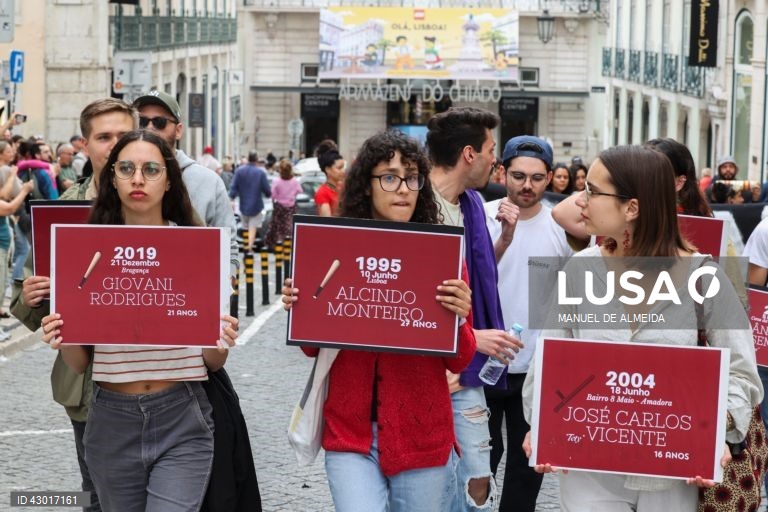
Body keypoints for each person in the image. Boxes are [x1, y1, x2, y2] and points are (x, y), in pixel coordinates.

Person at [521, 145, 763, 510]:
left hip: (673, 474)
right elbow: (549, 362)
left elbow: (743, 375)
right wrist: (542, 426)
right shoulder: (578, 270)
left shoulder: (705, 276)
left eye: (593, 191)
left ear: (631, 208)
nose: (581, 199)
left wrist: (715, 434)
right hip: (591, 471)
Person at [39, 130, 239, 511]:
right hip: (112, 417)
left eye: (151, 169)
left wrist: (221, 338)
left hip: (182, 416)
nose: (138, 179)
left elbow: (212, 362)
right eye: (127, 168)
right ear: (112, 178)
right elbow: (80, 362)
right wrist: (61, 332)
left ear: (168, 180)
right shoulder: (85, 250)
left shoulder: (198, 248)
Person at [281, 130, 476, 511]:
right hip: (349, 434)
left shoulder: (442, 255)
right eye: (389, 176)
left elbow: (460, 359)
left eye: (412, 177)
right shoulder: (335, 248)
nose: (403, 188)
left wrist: (460, 317)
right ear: (366, 185)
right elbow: (310, 346)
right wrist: (301, 305)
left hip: (421, 435)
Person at [11, 97, 138, 512]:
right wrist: (31, 295)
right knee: (96, 495)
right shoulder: (63, 211)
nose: (115, 145)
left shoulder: (160, 209)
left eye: (123, 134)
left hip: (156, 377)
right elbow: (28, 304)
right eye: (104, 137)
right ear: (86, 144)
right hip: (86, 384)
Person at [426, 107, 523, 512]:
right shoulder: (412, 204)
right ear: (469, 154)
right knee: (431, 483)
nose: (494, 160)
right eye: (490, 150)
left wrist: (502, 241)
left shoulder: (471, 204)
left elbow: (475, 277)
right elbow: (402, 301)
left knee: (477, 480)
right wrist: (473, 337)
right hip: (425, 371)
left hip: (466, 372)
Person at [484, 136, 572, 511]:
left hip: (535, 368)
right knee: (479, 461)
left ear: (550, 178)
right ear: (502, 172)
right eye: (518, 175)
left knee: (526, 469)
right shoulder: (482, 217)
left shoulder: (561, 227)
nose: (527, 185)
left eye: (537, 178)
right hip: (483, 362)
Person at [132, 91, 239, 280]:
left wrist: (219, 293)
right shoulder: (121, 177)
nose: (149, 128)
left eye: (159, 122)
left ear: (178, 130)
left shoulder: (208, 181)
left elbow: (228, 248)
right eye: (142, 121)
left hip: (190, 296)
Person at [228, 150, 271, 251]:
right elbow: (267, 190)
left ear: (248, 159)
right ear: (256, 160)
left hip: (243, 204)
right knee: (253, 227)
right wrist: (268, 194)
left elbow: (234, 187)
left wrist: (231, 198)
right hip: (256, 205)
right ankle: (249, 247)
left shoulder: (239, 171)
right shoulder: (260, 172)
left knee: (245, 226)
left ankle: (247, 245)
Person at [264, 158, 301, 250]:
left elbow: (273, 195)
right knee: (289, 228)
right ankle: (289, 247)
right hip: (291, 208)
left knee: (278, 229)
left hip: (279, 208)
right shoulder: (295, 181)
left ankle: (278, 247)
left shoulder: (276, 181)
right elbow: (299, 191)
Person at [315, 145, 345, 216]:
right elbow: (328, 223)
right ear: (327, 169)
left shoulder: (342, 187)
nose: (343, 171)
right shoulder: (322, 193)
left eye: (343, 167)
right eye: (339, 168)